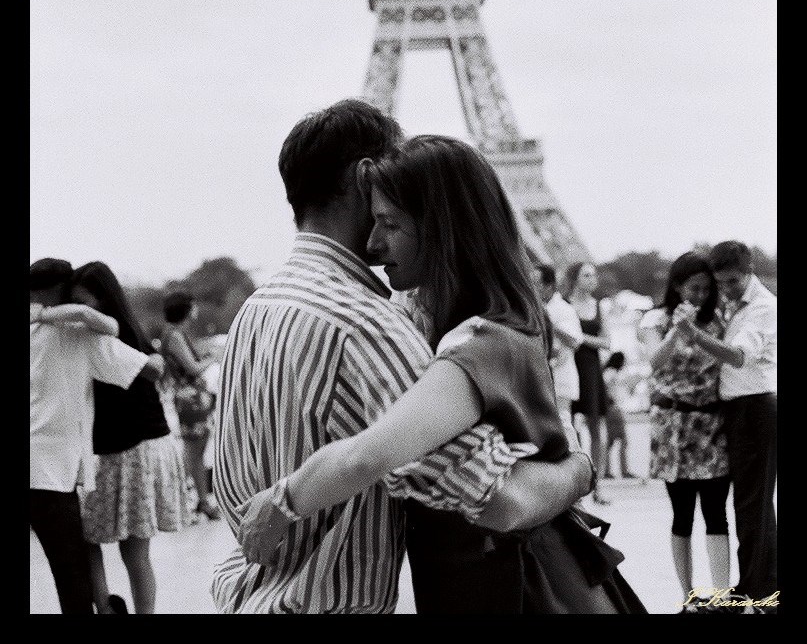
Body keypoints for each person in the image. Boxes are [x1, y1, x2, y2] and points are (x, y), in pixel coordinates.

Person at [234, 132, 647, 614]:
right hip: (509, 573)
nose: (372, 242)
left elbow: (371, 456)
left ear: (443, 228)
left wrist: (282, 502)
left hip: (520, 585)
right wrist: (577, 468)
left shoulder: (479, 342)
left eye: (389, 223)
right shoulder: (487, 326)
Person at [30, 258, 164, 614]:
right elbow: (149, 369)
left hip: (58, 468)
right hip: (50, 475)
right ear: (65, 293)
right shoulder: (77, 334)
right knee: (72, 576)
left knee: (85, 549)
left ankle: (106, 607)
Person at [70, 262, 191, 614]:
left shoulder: (108, 335)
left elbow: (153, 370)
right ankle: (114, 607)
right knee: (115, 547)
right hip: (134, 446)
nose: (82, 310)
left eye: (85, 302)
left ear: (102, 298)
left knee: (120, 548)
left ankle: (113, 609)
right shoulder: (126, 331)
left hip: (133, 448)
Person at [677, 241, 777, 606]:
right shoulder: (733, 304)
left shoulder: (764, 308)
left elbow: (737, 357)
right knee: (748, 504)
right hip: (738, 410)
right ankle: (757, 584)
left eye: (733, 281)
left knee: (754, 503)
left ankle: (762, 588)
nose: (727, 289)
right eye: (721, 283)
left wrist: (693, 336)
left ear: (749, 271)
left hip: (755, 408)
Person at [638, 252, 731, 611]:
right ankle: (688, 595)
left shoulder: (719, 320)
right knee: (681, 515)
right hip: (672, 425)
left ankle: (722, 597)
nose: (700, 296)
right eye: (694, 288)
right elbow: (652, 361)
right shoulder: (655, 320)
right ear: (677, 286)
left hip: (710, 423)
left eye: (707, 290)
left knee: (716, 512)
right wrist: (679, 332)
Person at [161, 290, 220, 521]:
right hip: (191, 398)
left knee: (196, 451)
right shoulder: (174, 335)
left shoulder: (174, 334)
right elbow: (193, 368)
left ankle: (199, 501)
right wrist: (212, 358)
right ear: (186, 309)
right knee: (193, 452)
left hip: (191, 398)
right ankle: (184, 502)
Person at [566, 262, 613, 504]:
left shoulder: (597, 306)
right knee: (572, 428)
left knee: (596, 429)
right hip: (571, 368)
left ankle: (598, 484)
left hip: (591, 369)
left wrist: (577, 336)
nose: (592, 279)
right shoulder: (565, 305)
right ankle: (579, 485)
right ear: (575, 278)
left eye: (594, 274)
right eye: (587, 275)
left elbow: (607, 342)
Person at [534, 264, 582, 428]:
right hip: (541, 375)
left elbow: (575, 342)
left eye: (536, 283)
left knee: (564, 424)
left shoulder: (564, 309)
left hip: (561, 374)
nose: (532, 287)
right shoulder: (533, 308)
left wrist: (549, 323)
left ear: (549, 285)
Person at [601, 352, 639, 480]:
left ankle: (606, 470)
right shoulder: (611, 372)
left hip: (613, 408)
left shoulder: (612, 372)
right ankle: (623, 471)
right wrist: (609, 400)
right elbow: (604, 387)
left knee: (611, 441)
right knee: (622, 440)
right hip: (613, 409)